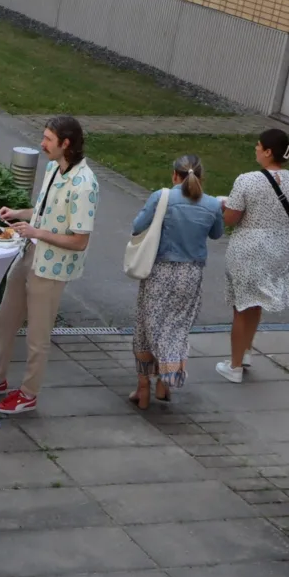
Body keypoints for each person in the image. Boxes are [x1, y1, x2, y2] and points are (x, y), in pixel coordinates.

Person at [0, 116, 99, 416]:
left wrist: (36, 232)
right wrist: (20, 213)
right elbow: (43, 210)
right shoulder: (53, 168)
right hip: (29, 254)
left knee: (38, 336)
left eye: (48, 139)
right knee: (5, 318)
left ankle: (28, 394)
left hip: (52, 268)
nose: (42, 143)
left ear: (66, 144)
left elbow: (79, 240)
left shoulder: (85, 185)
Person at [129, 156, 224, 408]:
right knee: (175, 327)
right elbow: (216, 233)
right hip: (191, 274)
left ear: (174, 175)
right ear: (200, 178)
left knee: (146, 327)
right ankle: (165, 382)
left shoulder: (162, 197)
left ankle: (143, 389)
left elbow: (137, 226)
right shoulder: (212, 204)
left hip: (159, 271)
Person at [218, 128, 289, 383]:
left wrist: (224, 205)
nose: (256, 149)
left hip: (249, 247)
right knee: (257, 302)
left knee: (241, 307)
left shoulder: (246, 180)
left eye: (258, 146)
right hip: (279, 248)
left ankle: (234, 366)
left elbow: (230, 218)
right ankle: (246, 352)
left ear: (269, 152)